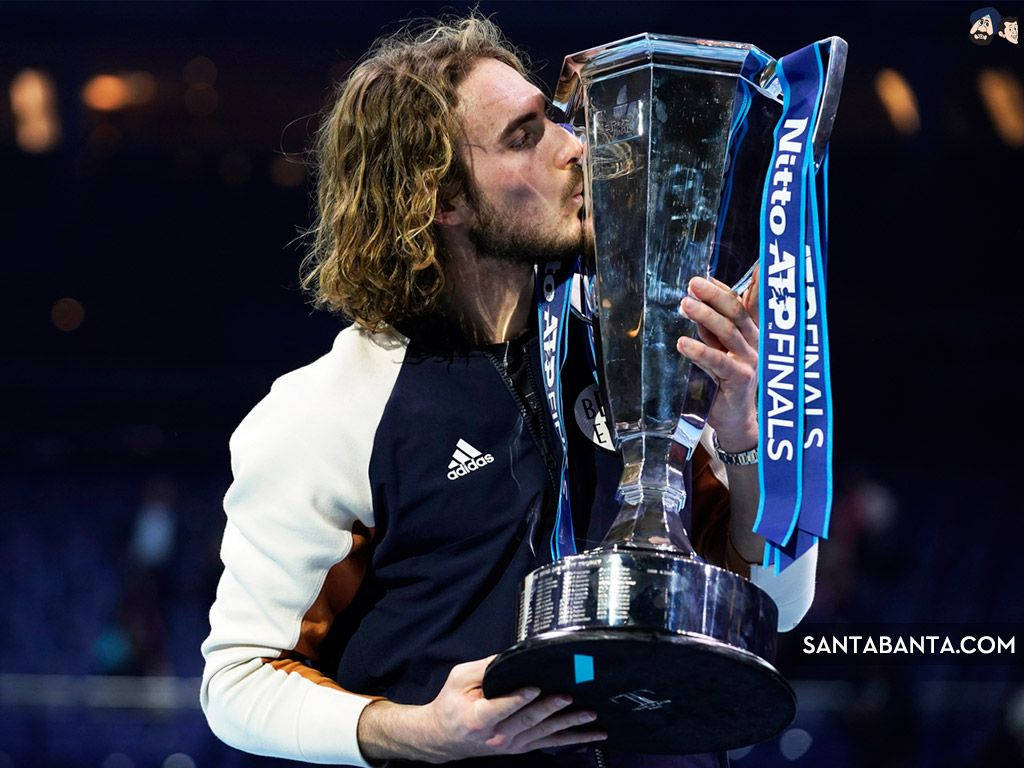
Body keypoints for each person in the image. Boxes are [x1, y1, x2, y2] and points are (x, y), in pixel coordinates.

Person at [200, 13, 817, 768]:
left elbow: (779, 607)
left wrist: (748, 439)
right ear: (441, 199)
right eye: (526, 137)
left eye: (556, 120)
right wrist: (420, 732)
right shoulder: (329, 409)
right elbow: (237, 685)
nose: (580, 148)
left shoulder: (642, 350)